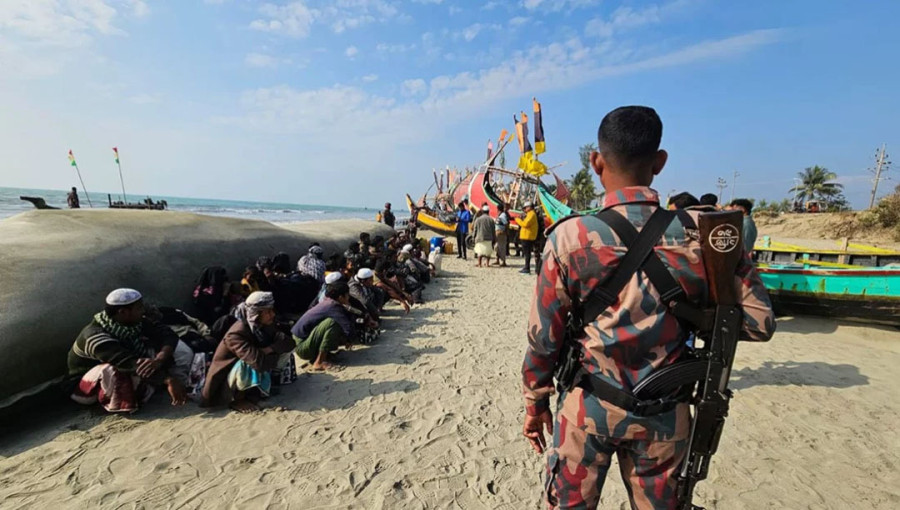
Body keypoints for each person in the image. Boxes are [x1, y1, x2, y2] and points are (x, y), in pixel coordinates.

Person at [521, 106, 776, 509]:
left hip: (587, 409)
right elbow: (759, 322)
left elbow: (543, 338)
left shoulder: (570, 238)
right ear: (659, 162)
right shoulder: (704, 236)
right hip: (665, 417)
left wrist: (535, 404)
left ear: (596, 162)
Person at [67, 288, 191, 413]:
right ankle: (118, 403)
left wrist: (160, 358)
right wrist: (168, 380)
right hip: (88, 387)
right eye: (139, 308)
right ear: (123, 312)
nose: (143, 312)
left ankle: (160, 385)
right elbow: (126, 362)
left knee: (164, 349)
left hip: (131, 365)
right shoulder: (95, 336)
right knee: (112, 370)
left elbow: (167, 334)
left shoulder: (134, 323)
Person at [201, 291, 295, 412]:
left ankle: (266, 386)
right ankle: (238, 399)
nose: (272, 314)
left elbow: (290, 343)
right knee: (247, 363)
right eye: (268, 312)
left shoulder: (265, 325)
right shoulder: (236, 334)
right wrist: (271, 353)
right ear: (256, 313)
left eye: (272, 310)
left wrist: (268, 349)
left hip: (261, 360)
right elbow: (257, 363)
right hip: (226, 379)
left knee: (282, 349)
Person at [291, 281, 356, 371]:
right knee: (332, 323)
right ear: (341, 297)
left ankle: (324, 355)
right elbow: (347, 326)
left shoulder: (327, 301)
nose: (349, 297)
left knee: (331, 324)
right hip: (302, 346)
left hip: (303, 341)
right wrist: (349, 339)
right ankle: (319, 362)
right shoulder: (333, 306)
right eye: (347, 295)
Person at [514, 201, 539, 274]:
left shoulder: (531, 214)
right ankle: (526, 267)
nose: (524, 209)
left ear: (529, 207)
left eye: (525, 207)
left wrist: (517, 220)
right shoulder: (530, 214)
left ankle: (527, 268)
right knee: (526, 253)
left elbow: (525, 224)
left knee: (527, 253)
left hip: (527, 237)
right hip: (527, 236)